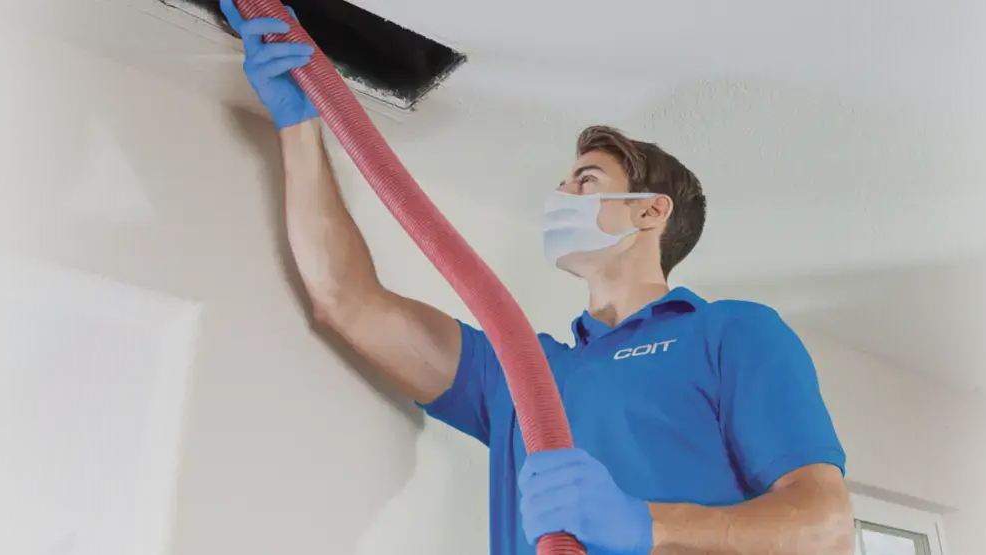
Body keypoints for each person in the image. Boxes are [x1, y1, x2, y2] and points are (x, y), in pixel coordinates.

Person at [220, 3, 853, 554]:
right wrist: (299, 126)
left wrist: (645, 526)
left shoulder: (730, 331)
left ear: (650, 211)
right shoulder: (521, 375)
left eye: (585, 182)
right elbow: (345, 300)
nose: (561, 196)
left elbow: (825, 530)